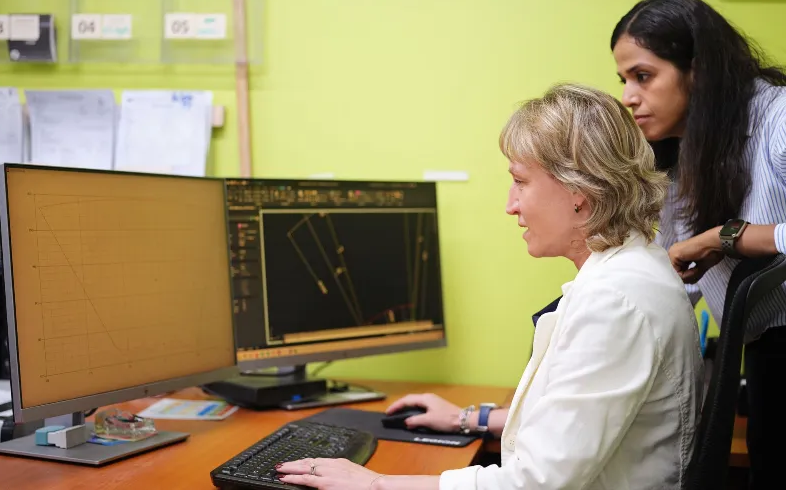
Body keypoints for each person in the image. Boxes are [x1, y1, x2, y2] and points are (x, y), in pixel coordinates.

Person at [276, 84, 704, 489]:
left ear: (580, 192)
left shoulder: (615, 303)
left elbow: (535, 482)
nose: (510, 204)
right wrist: (470, 419)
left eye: (520, 181)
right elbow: (581, 419)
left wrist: (373, 482)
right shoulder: (636, 266)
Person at [610, 0, 786, 488]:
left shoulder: (778, 121)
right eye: (623, 79)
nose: (628, 96)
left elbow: (710, 247)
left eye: (642, 76)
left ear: (699, 71)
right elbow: (676, 281)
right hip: (767, 353)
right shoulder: (682, 153)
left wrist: (728, 237)